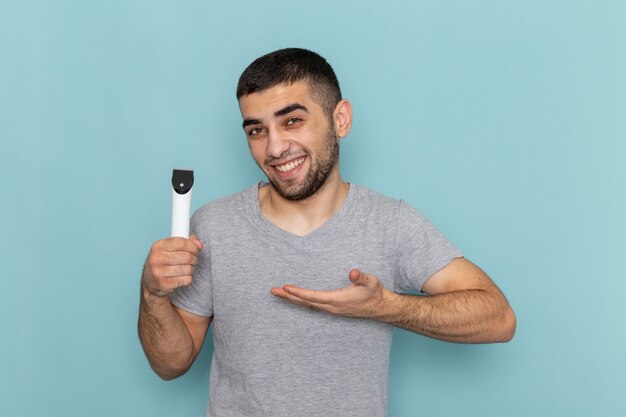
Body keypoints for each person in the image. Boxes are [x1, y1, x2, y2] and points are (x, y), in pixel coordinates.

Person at [138, 48, 516, 417]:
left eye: (292, 121)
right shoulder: (214, 226)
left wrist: (386, 307)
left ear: (341, 119)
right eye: (256, 129)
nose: (274, 147)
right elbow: (171, 364)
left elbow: (498, 318)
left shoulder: (391, 224)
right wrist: (152, 293)